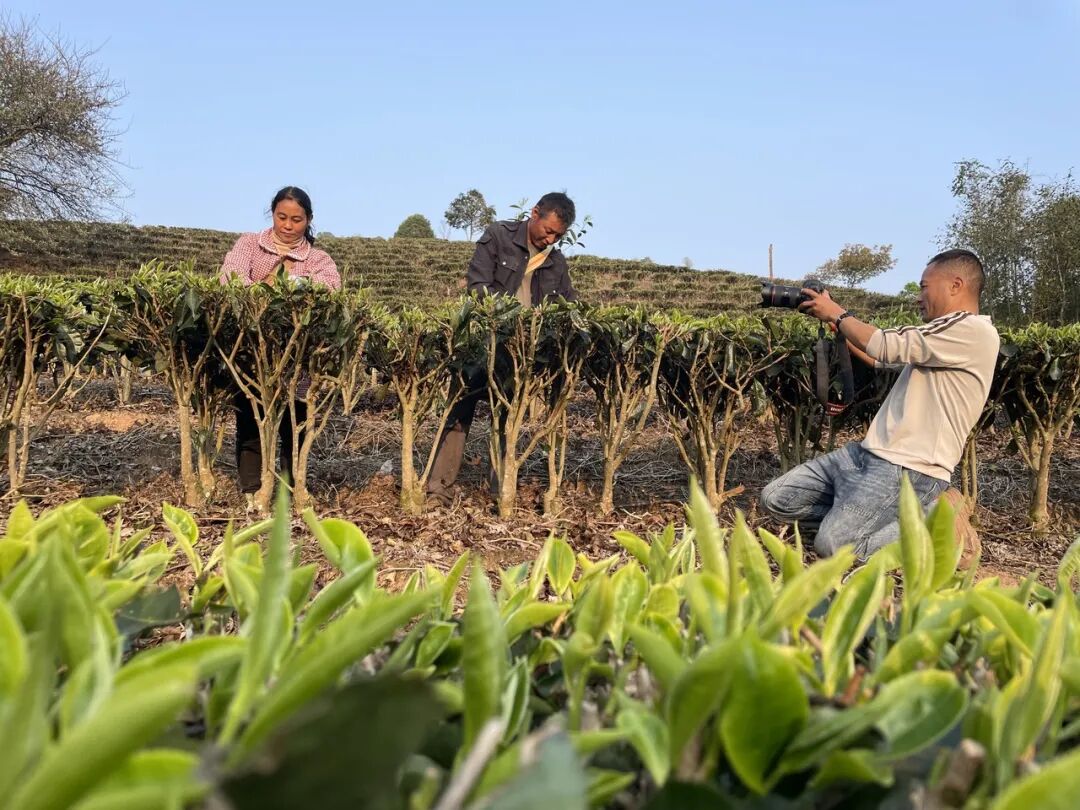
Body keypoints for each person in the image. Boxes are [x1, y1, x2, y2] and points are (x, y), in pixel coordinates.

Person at [759, 249, 999, 559]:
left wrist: (836, 312)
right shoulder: (942, 339)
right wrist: (837, 325)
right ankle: (872, 522)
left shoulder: (971, 330)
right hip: (866, 455)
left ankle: (937, 522)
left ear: (956, 285)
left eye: (924, 286)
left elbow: (884, 344)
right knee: (777, 498)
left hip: (909, 467)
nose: (918, 297)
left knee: (833, 546)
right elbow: (878, 358)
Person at [425, 191, 579, 507]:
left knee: (507, 419)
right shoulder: (498, 236)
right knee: (458, 414)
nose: (550, 239)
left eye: (558, 236)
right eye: (548, 230)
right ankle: (437, 490)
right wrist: (501, 320)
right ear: (534, 213)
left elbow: (566, 306)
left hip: (519, 356)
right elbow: (478, 284)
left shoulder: (556, 262)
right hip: (481, 345)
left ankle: (501, 494)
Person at [219, 186, 341, 507]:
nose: (288, 226)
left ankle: (289, 491)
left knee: (294, 421)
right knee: (250, 417)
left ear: (309, 220)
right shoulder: (249, 244)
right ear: (272, 214)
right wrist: (271, 289)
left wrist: (283, 287)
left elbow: (329, 288)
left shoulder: (319, 259)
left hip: (296, 357)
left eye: (296, 220)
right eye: (281, 217)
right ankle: (253, 491)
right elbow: (230, 277)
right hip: (252, 351)